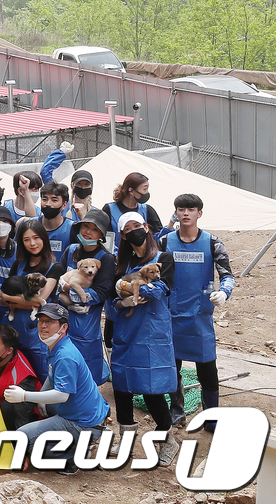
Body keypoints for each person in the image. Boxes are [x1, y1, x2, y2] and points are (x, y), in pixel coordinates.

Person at [5, 304, 109, 474]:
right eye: (41, 321)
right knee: (42, 408)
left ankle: (77, 454)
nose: (43, 326)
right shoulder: (58, 346)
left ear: (64, 326)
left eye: (50, 322)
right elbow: (52, 376)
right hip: (88, 413)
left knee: (22, 438)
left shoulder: (65, 355)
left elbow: (61, 395)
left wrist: (25, 395)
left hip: (83, 422)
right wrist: (40, 398)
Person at [109, 211, 179, 463]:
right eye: (127, 230)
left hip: (152, 332)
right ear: (123, 236)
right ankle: (125, 437)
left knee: (151, 386)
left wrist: (130, 289)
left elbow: (160, 290)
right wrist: (121, 299)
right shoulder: (122, 265)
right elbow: (113, 298)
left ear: (147, 227)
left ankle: (167, 439)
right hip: (126, 330)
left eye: (136, 226)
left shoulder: (164, 258)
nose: (133, 232)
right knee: (122, 385)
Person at [159, 194, 234, 427]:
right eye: (181, 209)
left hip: (200, 317)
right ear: (176, 212)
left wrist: (224, 292)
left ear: (199, 213)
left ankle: (211, 416)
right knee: (173, 367)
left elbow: (227, 275)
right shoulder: (165, 242)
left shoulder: (213, 243)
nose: (185, 213)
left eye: (191, 209)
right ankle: (177, 409)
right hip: (171, 315)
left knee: (207, 369)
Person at [57, 209, 114, 384]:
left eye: (94, 229)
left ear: (102, 234)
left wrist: (70, 292)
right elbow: (58, 276)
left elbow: (101, 293)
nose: (87, 232)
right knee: (62, 366)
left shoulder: (106, 259)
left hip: (86, 322)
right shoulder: (71, 250)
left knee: (86, 370)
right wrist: (61, 290)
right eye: (85, 226)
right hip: (62, 318)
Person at [0, 218, 63, 374]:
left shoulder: (55, 267)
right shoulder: (18, 264)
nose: (32, 243)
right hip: (15, 328)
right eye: (26, 239)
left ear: (44, 238)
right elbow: (3, 296)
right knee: (15, 374)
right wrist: (11, 300)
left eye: (36, 238)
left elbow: (38, 301)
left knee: (41, 373)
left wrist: (10, 300)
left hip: (39, 330)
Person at [0, 324, 40, 431]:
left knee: (8, 406)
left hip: (24, 417)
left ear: (9, 351)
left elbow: (24, 419)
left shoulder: (22, 378)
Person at [103, 172, 163, 250]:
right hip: (118, 257)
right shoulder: (109, 209)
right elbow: (105, 238)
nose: (147, 193)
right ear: (131, 190)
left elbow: (158, 236)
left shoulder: (148, 210)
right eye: (144, 189)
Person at [38, 181, 74, 261]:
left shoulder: (73, 229)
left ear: (64, 205)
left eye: (54, 200)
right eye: (44, 199)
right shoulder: (30, 225)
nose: (48, 204)